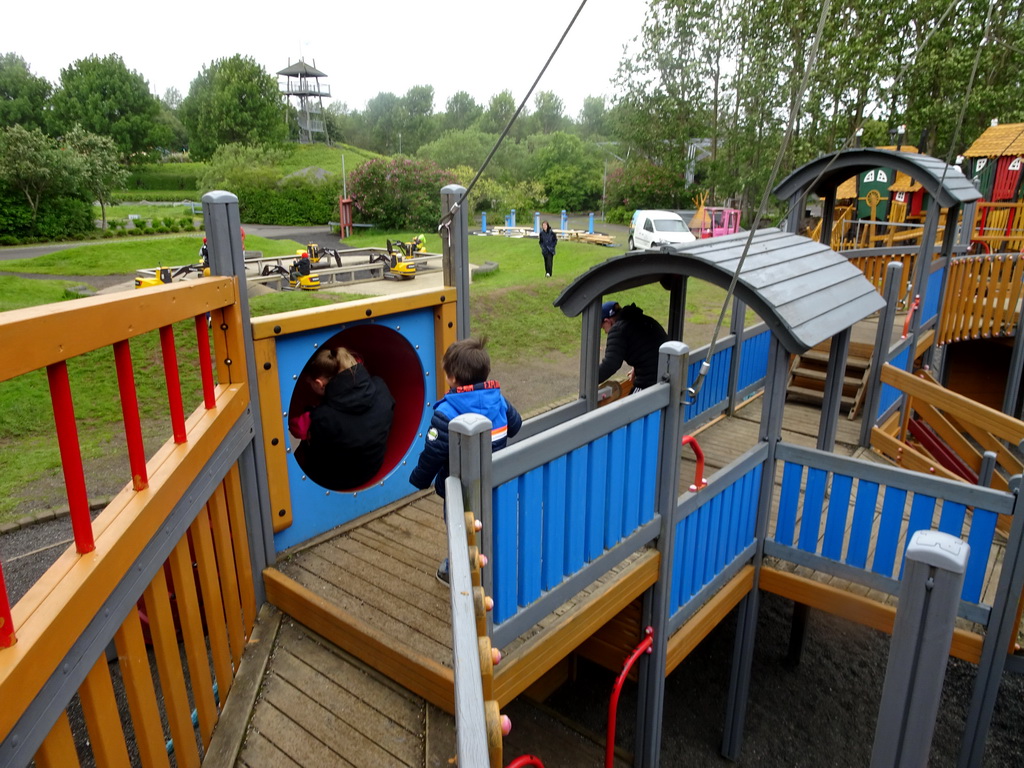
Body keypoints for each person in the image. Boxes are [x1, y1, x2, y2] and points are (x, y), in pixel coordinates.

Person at [409, 337, 522, 584]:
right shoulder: (498, 400)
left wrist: (419, 479)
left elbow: (433, 453)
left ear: (451, 378)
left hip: (461, 489)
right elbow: (516, 425)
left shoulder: (447, 413)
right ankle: (493, 563)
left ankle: (456, 570)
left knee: (459, 530)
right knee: (490, 523)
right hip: (494, 481)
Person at [292, 346, 395, 491]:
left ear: (319, 383)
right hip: (373, 468)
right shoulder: (380, 386)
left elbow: (296, 429)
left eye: (310, 384)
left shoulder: (321, 417)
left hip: (336, 481)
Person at [598, 300, 670, 391]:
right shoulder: (642, 319)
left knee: (628, 404)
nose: (605, 332)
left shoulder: (617, 329)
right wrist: (637, 367)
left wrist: (590, 381)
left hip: (651, 382)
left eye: (603, 327)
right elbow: (647, 347)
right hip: (667, 375)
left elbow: (610, 364)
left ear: (607, 321)